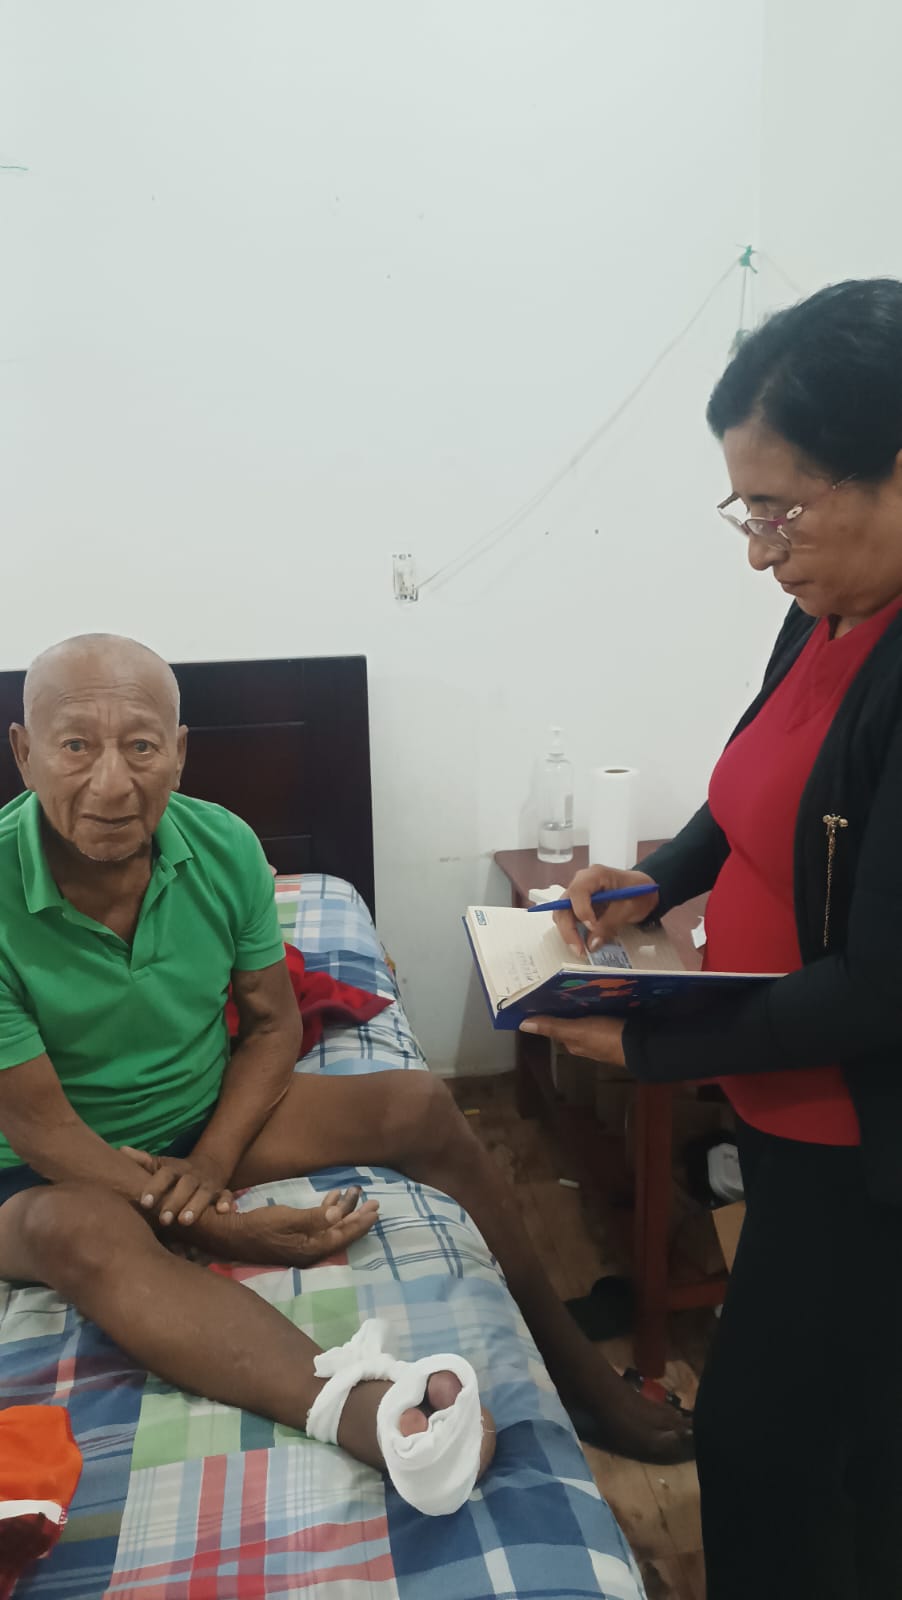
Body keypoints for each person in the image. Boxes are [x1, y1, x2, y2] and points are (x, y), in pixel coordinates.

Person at [0, 636, 690, 1505]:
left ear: (178, 753)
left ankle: (576, 1369)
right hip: (46, 1168)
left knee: (416, 1102)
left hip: (195, 1120)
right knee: (81, 1236)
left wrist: (208, 1168)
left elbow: (271, 1026)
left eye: (140, 746)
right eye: (74, 746)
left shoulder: (223, 846)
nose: (111, 784)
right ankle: (366, 1412)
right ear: (24, 752)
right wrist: (217, 1226)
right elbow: (39, 1125)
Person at [525, 277, 902, 1598]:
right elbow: (750, 787)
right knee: (822, 1429)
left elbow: (877, 990)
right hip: (782, 1111)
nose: (758, 551)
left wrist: (649, 1043)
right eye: (745, 511)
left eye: (779, 509)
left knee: (768, 1446)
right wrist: (654, 881)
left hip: (859, 1146)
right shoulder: (826, 607)